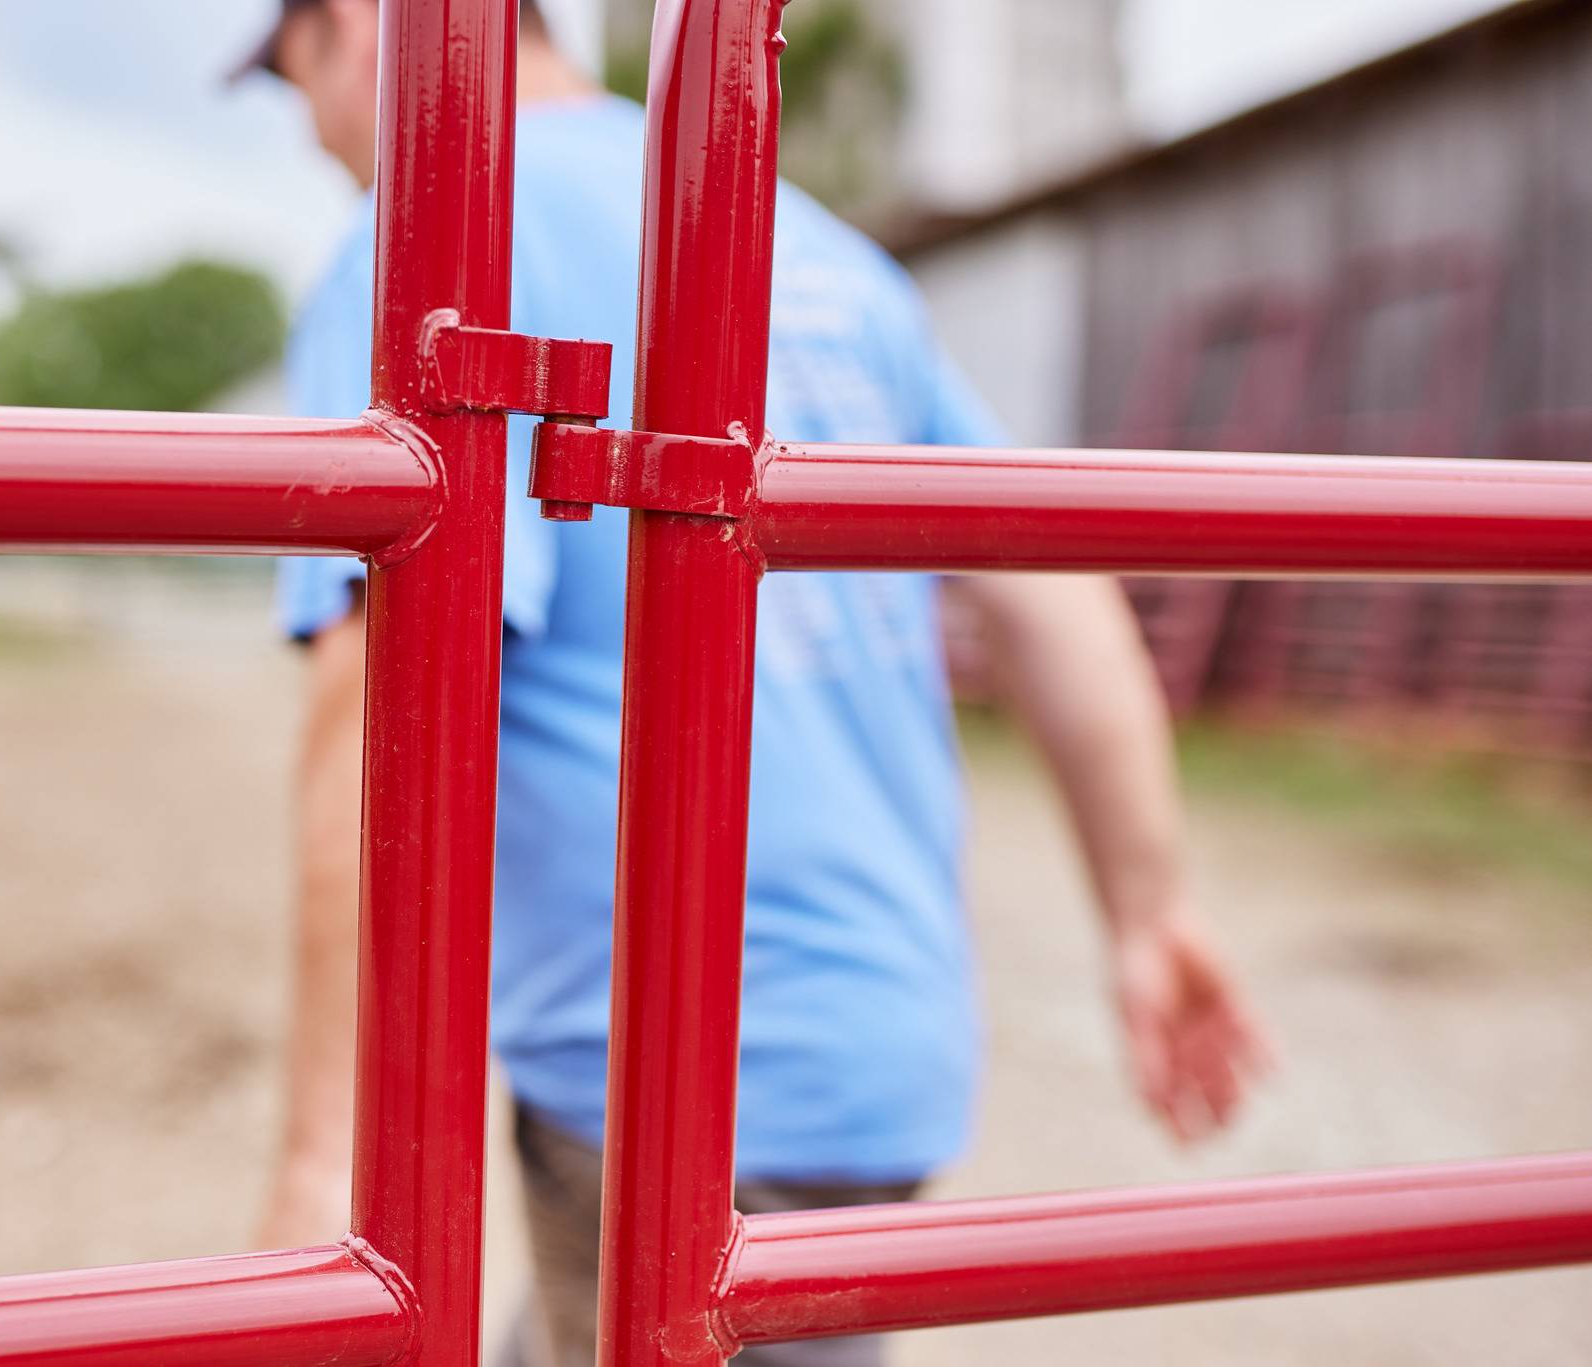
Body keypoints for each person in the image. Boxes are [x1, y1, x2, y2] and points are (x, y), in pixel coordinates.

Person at [241, 3, 1275, 1364]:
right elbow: (1050, 580)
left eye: (289, 83)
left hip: (663, 1069)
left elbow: (374, 706)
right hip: (882, 1036)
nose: (316, 146)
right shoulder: (818, 252)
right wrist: (1149, 910)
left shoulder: (432, 243)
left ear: (348, 31)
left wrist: (327, 1170)